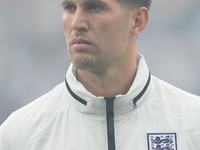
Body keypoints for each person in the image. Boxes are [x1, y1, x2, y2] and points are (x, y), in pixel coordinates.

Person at [0, 0, 200, 149]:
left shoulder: (193, 123)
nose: (76, 23)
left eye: (94, 7)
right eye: (69, 7)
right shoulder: (19, 134)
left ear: (137, 21)